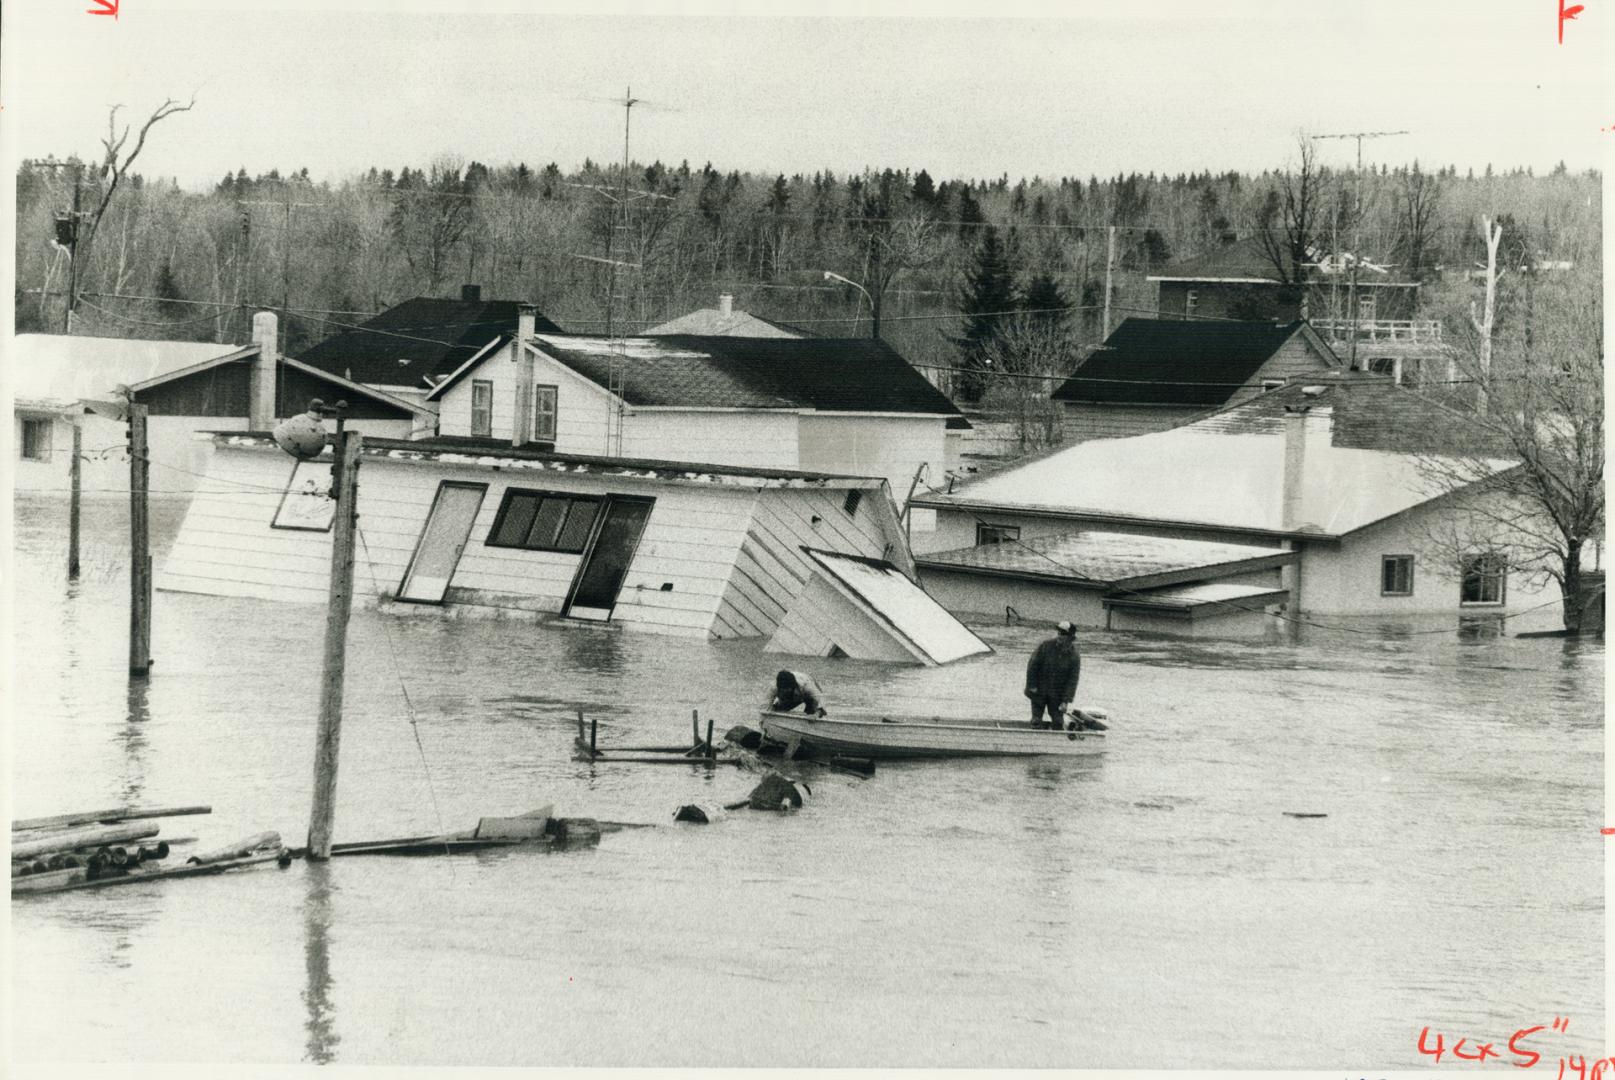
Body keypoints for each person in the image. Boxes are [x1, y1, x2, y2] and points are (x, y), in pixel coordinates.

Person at [1025, 621, 1082, 730]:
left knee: (1058, 722)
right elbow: (1032, 665)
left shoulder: (1074, 656)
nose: (1060, 636)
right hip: (1039, 690)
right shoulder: (1045, 646)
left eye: (1063, 634)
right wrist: (1032, 685)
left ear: (1070, 637)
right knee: (1036, 720)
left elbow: (1073, 680)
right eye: (1059, 633)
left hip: (1057, 694)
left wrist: (1066, 700)